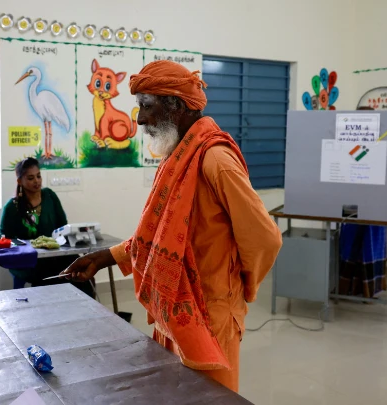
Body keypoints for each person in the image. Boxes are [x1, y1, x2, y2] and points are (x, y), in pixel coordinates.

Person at [63, 60, 282, 393]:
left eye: (146, 106)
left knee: (210, 399)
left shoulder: (214, 160)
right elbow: (159, 234)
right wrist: (105, 257)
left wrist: (238, 289)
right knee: (173, 395)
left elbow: (264, 238)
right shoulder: (177, 156)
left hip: (211, 313)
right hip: (174, 309)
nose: (140, 119)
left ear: (176, 105)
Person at [0, 158, 95, 297]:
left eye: (38, 176)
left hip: (55, 253)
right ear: (20, 181)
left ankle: (85, 309)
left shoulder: (49, 196)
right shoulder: (12, 207)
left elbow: (63, 226)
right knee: (49, 274)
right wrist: (27, 246)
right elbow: (5, 238)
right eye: (31, 178)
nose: (36, 181)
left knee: (79, 267)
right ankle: (50, 310)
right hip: (27, 259)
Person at [338, 106, 387, 298]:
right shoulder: (347, 145)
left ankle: (368, 290)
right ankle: (347, 289)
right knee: (351, 245)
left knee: (371, 246)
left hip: (375, 206)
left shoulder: (381, 144)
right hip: (351, 205)